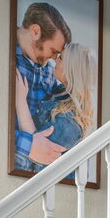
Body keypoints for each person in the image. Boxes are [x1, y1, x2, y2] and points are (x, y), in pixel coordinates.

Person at [14, 43, 97, 176]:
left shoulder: (69, 122)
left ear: (72, 69)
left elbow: (39, 155)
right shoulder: (57, 92)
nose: (55, 59)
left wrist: (20, 101)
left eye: (61, 58)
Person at [14, 2, 72, 170]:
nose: (55, 58)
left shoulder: (48, 71)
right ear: (35, 31)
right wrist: (28, 145)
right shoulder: (1, 55)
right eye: (53, 51)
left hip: (37, 175)